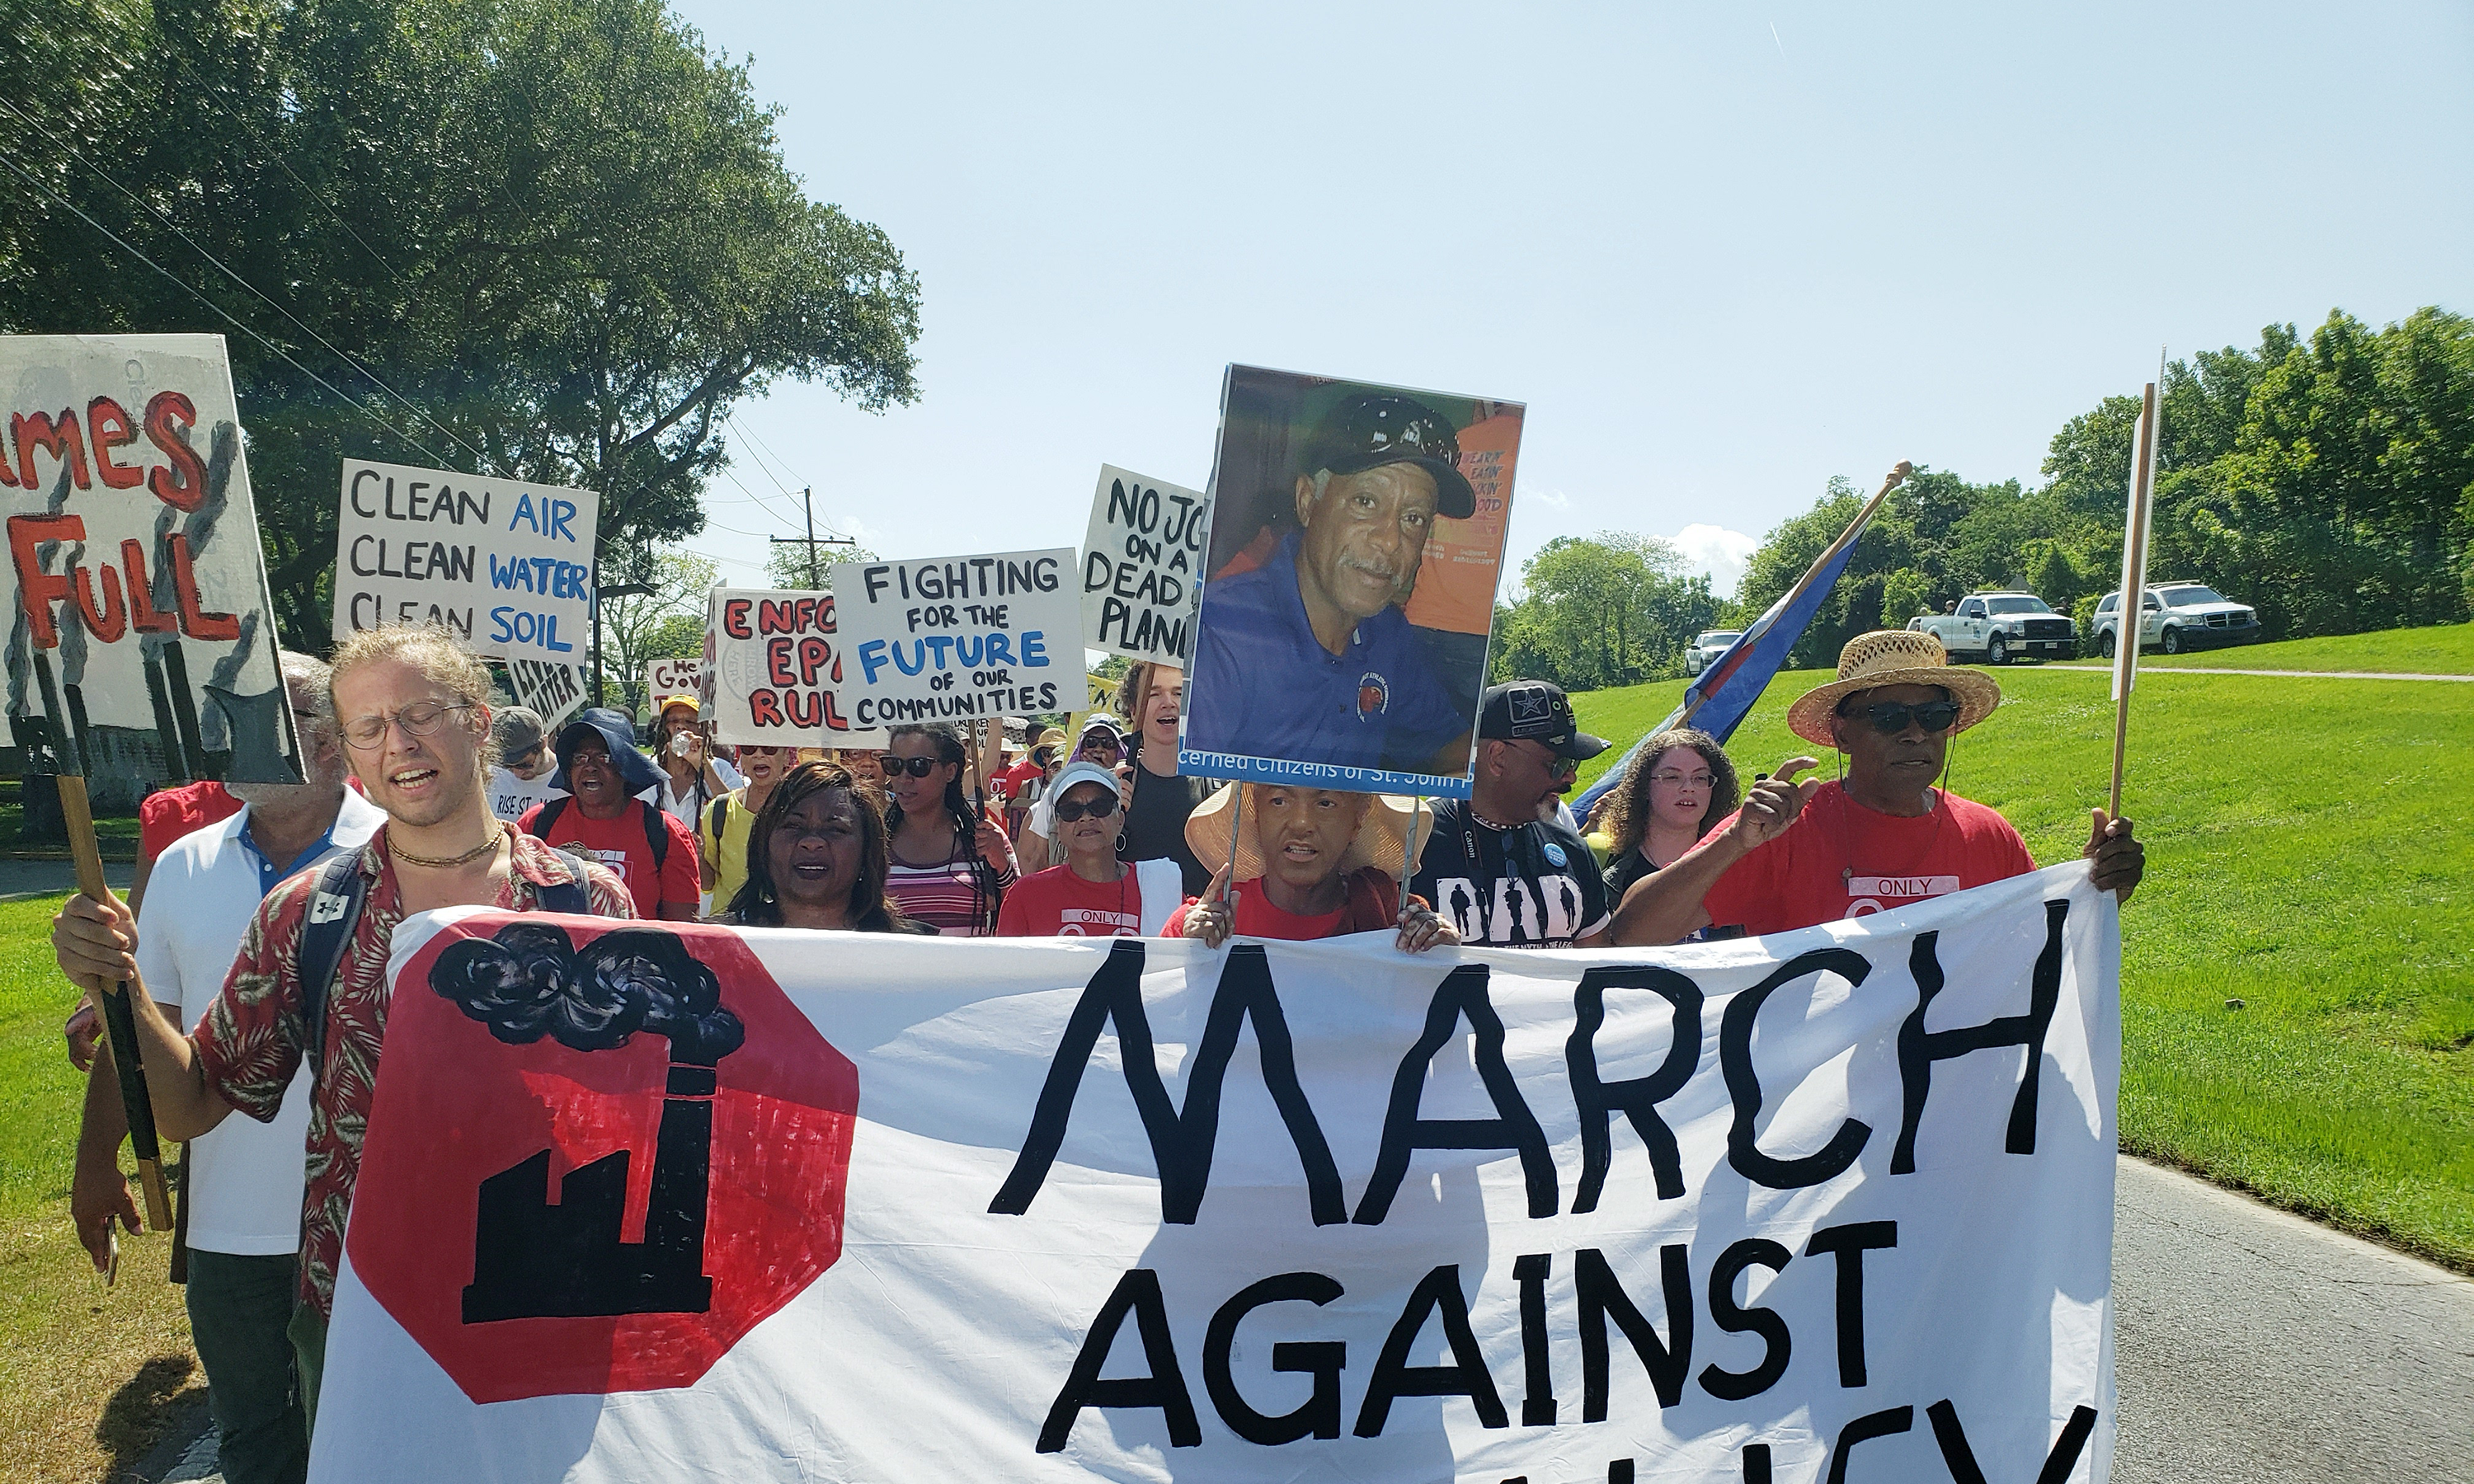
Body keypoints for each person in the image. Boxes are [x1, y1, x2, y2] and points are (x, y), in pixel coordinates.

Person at [49, 624, 633, 1429]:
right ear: (349, 754)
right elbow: (190, 1107)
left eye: (422, 713)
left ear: (478, 720)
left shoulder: (588, 904)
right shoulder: (307, 916)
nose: (399, 742)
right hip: (363, 1316)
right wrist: (124, 986)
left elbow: (635, 1109)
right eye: (369, 726)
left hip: (547, 1298)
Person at [54, 653, 383, 1484]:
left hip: (371, 1224)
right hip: (231, 1230)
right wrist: (96, 1164)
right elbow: (142, 1028)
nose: (230, 737)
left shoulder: (397, 853)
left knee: (368, 1445)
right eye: (223, 716)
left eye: (264, 717)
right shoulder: (183, 865)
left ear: (334, 741)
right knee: (256, 1442)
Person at [1609, 630, 2147, 945]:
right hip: (1818, 1119)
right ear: (1842, 732)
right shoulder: (1783, 830)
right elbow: (1630, 935)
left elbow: (2038, 951)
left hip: (1944, 1111)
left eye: (1933, 714)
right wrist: (1732, 846)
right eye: (1888, 716)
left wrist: (2099, 892)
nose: (1915, 731)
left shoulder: (1989, 835)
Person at [1184, 393, 1477, 777]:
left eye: (1414, 518)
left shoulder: (1388, 636)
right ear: (1308, 502)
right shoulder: (1219, 631)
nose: (1390, 541)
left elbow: (1445, 744)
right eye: (1366, 501)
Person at [1410, 680, 1615, 948]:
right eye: (1558, 764)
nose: (1570, 778)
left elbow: (1594, 970)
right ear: (1498, 758)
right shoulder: (1414, 844)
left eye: (1572, 762)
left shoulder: (1573, 851)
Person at [1167, 782, 1456, 951]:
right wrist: (1188, 957)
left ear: (1358, 819)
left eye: (1326, 803)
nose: (1301, 824)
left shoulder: (1398, 922)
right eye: (1279, 801)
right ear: (1256, 816)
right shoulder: (1195, 928)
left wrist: (1441, 956)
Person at [519, 708, 700, 922]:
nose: (590, 767)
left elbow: (682, 931)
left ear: (626, 768)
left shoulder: (666, 833)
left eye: (604, 758)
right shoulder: (536, 824)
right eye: (580, 758)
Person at [717, 760, 922, 932]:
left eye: (835, 829)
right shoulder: (708, 947)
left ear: (867, 849)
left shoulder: (918, 951)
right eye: (794, 826)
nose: (812, 843)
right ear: (763, 844)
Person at [995, 761, 1183, 937]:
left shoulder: (1161, 886)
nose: (1086, 818)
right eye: (1071, 810)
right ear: (1058, 828)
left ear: (1120, 821)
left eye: (1099, 806)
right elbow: (1004, 967)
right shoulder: (1027, 895)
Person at [880, 722, 1018, 935]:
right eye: (894, 765)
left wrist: (1002, 866)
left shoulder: (985, 839)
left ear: (950, 771)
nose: (904, 778)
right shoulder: (875, 842)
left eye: (918, 766)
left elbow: (1017, 912)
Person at [1595, 727, 1741, 899]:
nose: (1688, 788)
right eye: (1672, 777)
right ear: (1644, 787)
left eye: (1700, 778)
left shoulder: (1732, 870)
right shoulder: (1615, 882)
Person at [1112, 662, 1212, 894]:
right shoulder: (1115, 789)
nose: (1169, 703)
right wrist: (1106, 816)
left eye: (1178, 693)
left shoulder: (1220, 790)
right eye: (1154, 694)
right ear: (1133, 710)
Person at [1018, 715, 1129, 867]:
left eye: (1108, 744)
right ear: (1080, 748)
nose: (1098, 749)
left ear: (1119, 751)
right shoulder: (1056, 791)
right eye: (1091, 742)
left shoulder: (1132, 788)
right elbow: (1039, 856)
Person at [696, 743, 792, 915]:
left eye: (769, 749)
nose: (759, 755)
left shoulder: (800, 810)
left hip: (781, 930)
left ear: (786, 756)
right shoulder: (720, 809)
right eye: (749, 749)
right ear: (742, 760)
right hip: (728, 927)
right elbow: (707, 884)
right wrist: (697, 854)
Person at [650, 695, 745, 832]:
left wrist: (702, 765)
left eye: (689, 722)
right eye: (673, 721)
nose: (681, 726)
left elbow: (735, 816)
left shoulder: (721, 769)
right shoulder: (648, 770)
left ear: (702, 729)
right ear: (664, 730)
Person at [485, 706, 560, 823]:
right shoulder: (490, 777)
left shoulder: (568, 780)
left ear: (543, 743)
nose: (517, 773)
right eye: (507, 766)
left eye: (525, 764)